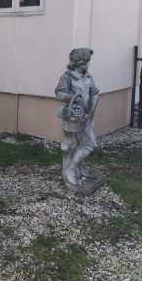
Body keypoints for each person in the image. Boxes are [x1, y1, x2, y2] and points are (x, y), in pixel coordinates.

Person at [55, 48, 100, 188]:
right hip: (74, 116)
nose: (87, 64)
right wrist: (75, 98)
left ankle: (77, 167)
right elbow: (60, 94)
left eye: (88, 62)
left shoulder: (88, 77)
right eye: (85, 62)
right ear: (77, 62)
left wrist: (91, 111)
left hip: (87, 116)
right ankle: (70, 170)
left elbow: (95, 93)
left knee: (87, 144)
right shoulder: (67, 77)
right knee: (71, 144)